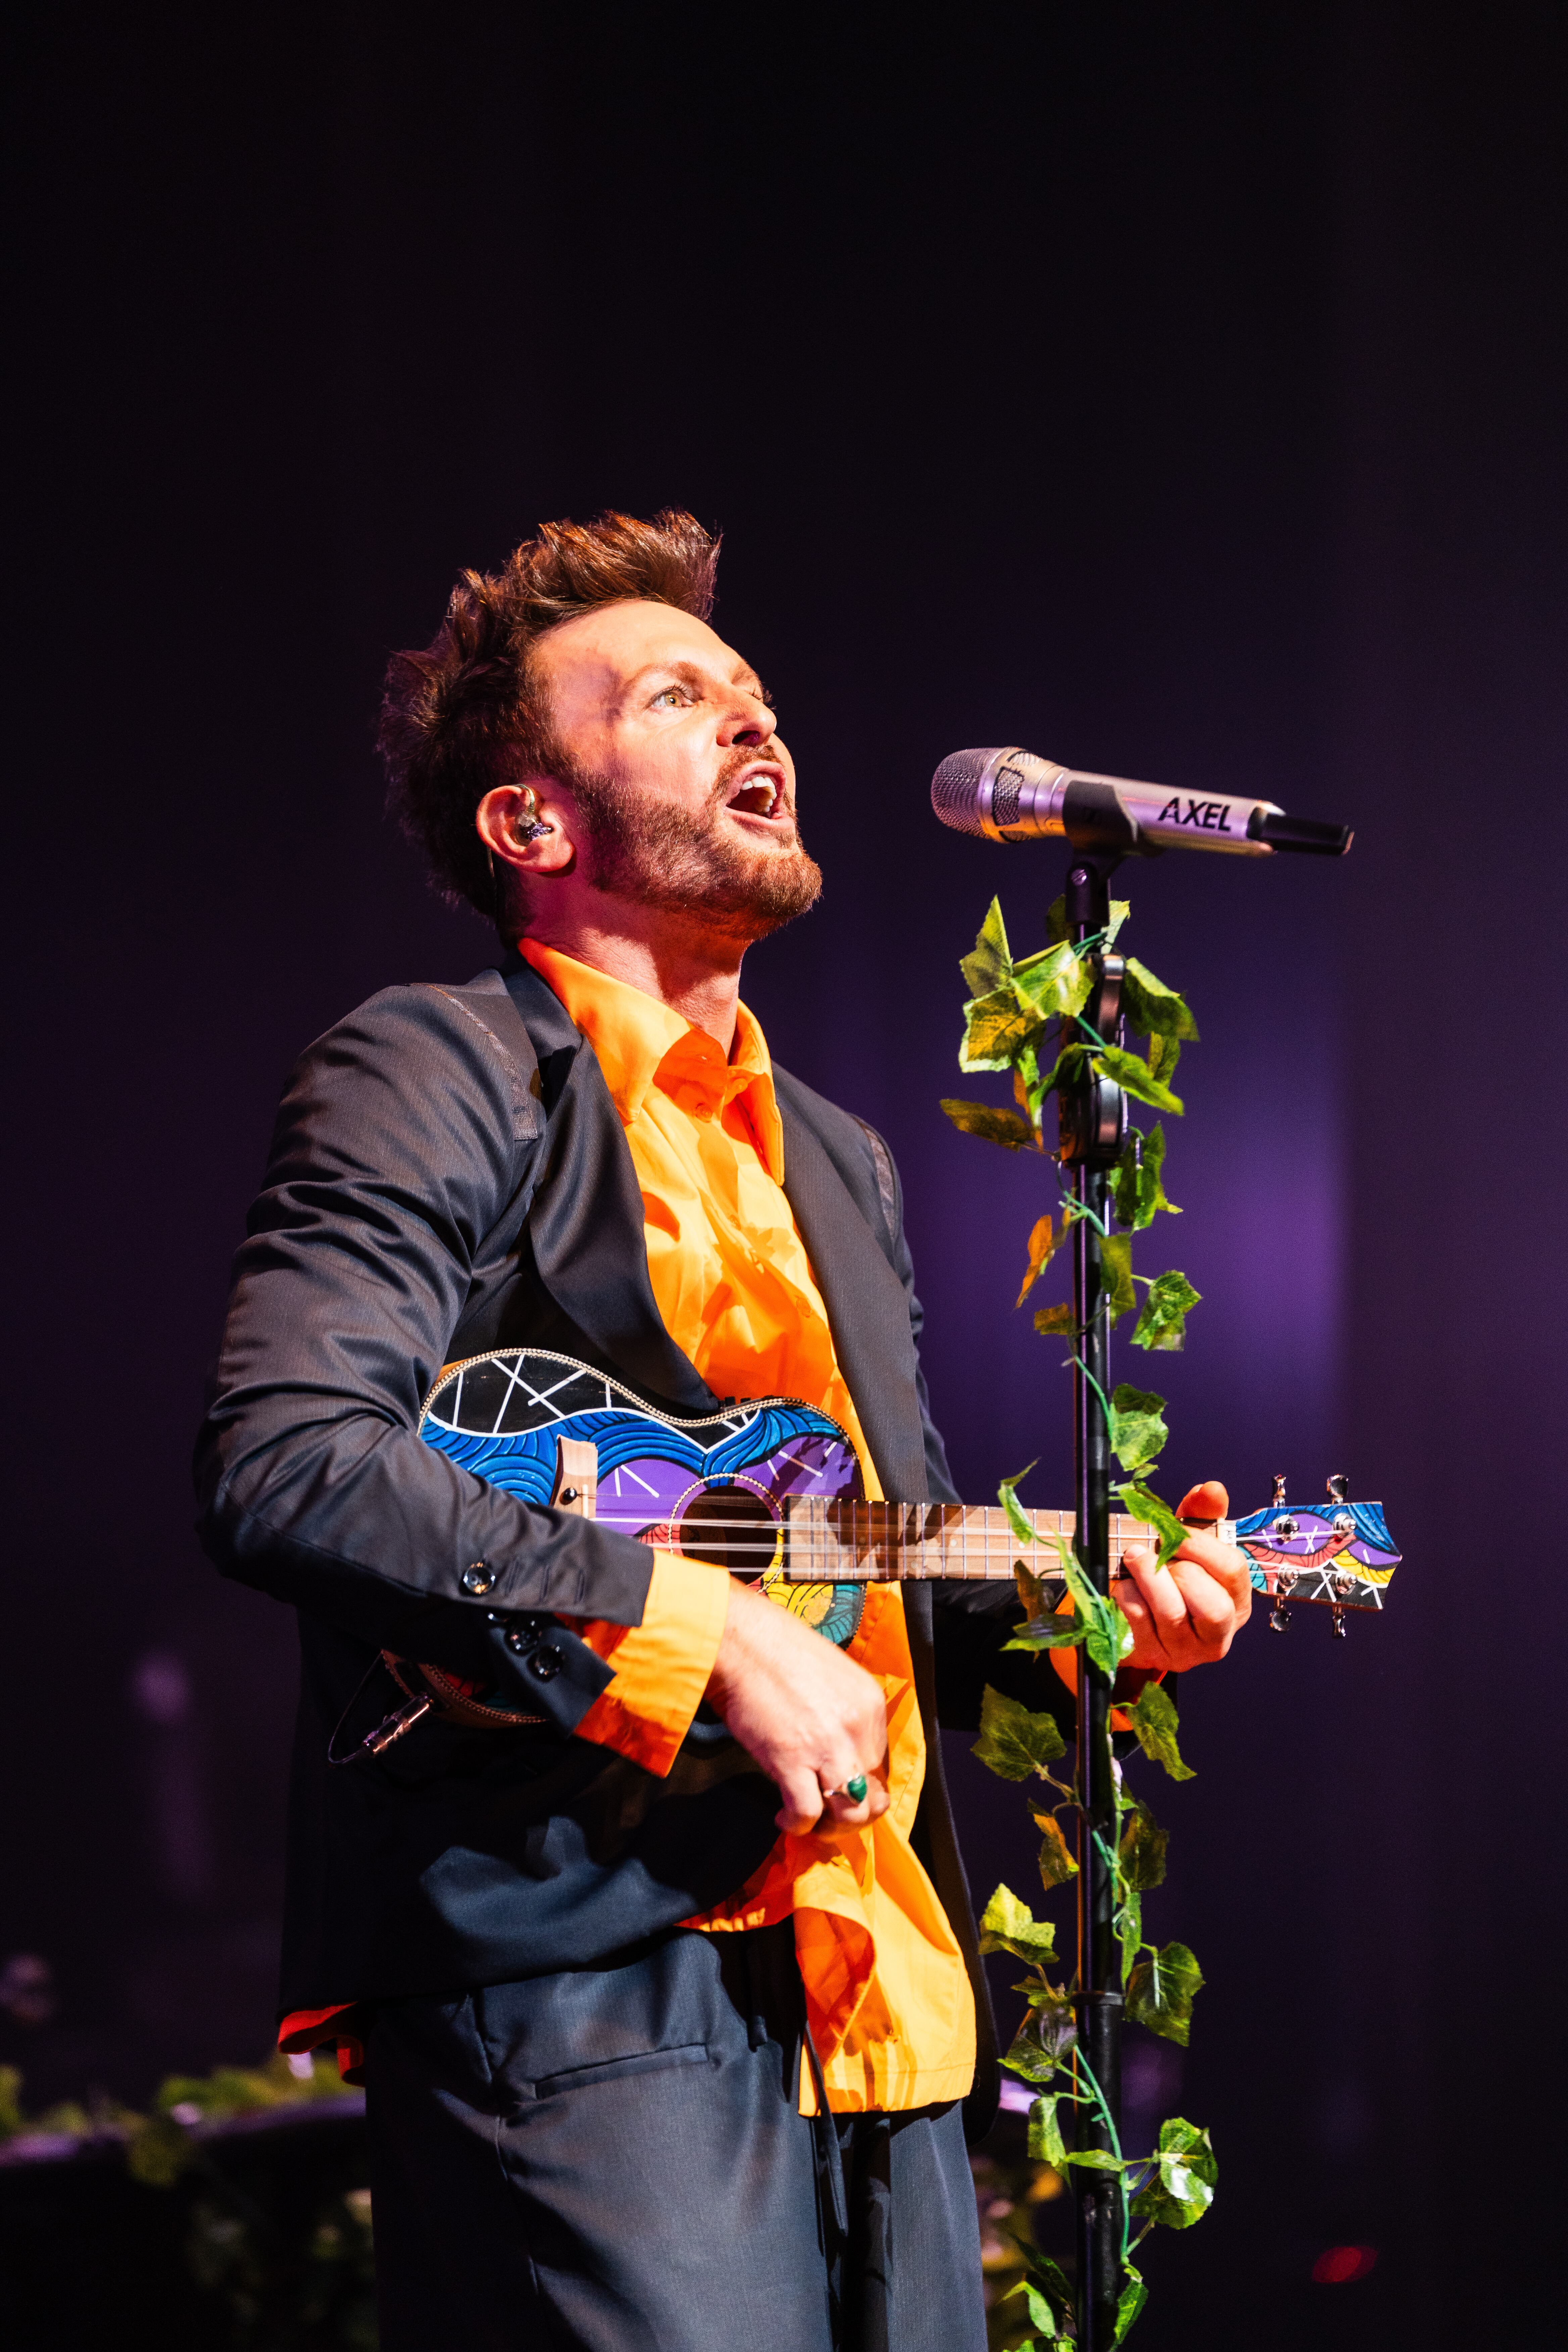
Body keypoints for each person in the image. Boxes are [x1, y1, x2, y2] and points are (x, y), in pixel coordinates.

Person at [194, 509, 1251, 2351]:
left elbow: (855, 1566)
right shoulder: (436, 1070)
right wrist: (703, 1635)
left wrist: (1101, 1617)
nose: (755, 726)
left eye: (757, 697)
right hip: (588, 1991)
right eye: (680, 697)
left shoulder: (839, 1157)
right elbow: (286, 1454)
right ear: (534, 820)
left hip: (875, 1996)